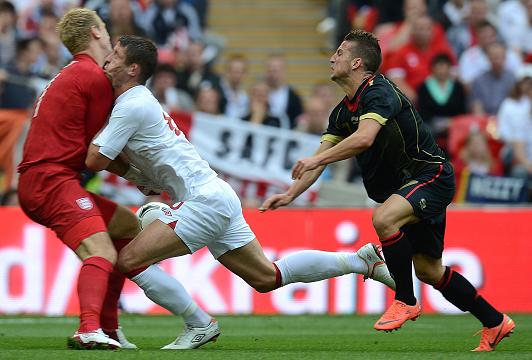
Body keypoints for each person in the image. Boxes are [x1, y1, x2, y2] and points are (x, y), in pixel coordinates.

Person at [85, 35, 396, 350]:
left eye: (115, 55)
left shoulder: (131, 105)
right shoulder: (139, 101)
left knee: (128, 260)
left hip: (202, 202)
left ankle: (198, 323)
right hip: (215, 195)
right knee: (267, 278)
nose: (108, 59)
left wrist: (130, 172)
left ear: (133, 69)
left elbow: (95, 159)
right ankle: (360, 261)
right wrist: (140, 176)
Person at [260, 29, 515, 352]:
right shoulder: (342, 112)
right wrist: (290, 194)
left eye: (339, 52)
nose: (331, 57)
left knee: (383, 219)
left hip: (430, 175)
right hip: (409, 190)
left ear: (356, 63)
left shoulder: (379, 92)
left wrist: (316, 158)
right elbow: (318, 162)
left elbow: (364, 138)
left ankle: (405, 301)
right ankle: (494, 322)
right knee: (429, 271)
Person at [17, 9, 209, 351]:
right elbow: (99, 152)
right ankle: (88, 328)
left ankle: (109, 327)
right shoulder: (92, 76)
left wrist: (140, 178)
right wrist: (141, 177)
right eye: (105, 31)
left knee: (126, 228)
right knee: (102, 250)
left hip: (51, 178)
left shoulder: (77, 73)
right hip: (52, 180)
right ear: (95, 32)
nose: (109, 41)